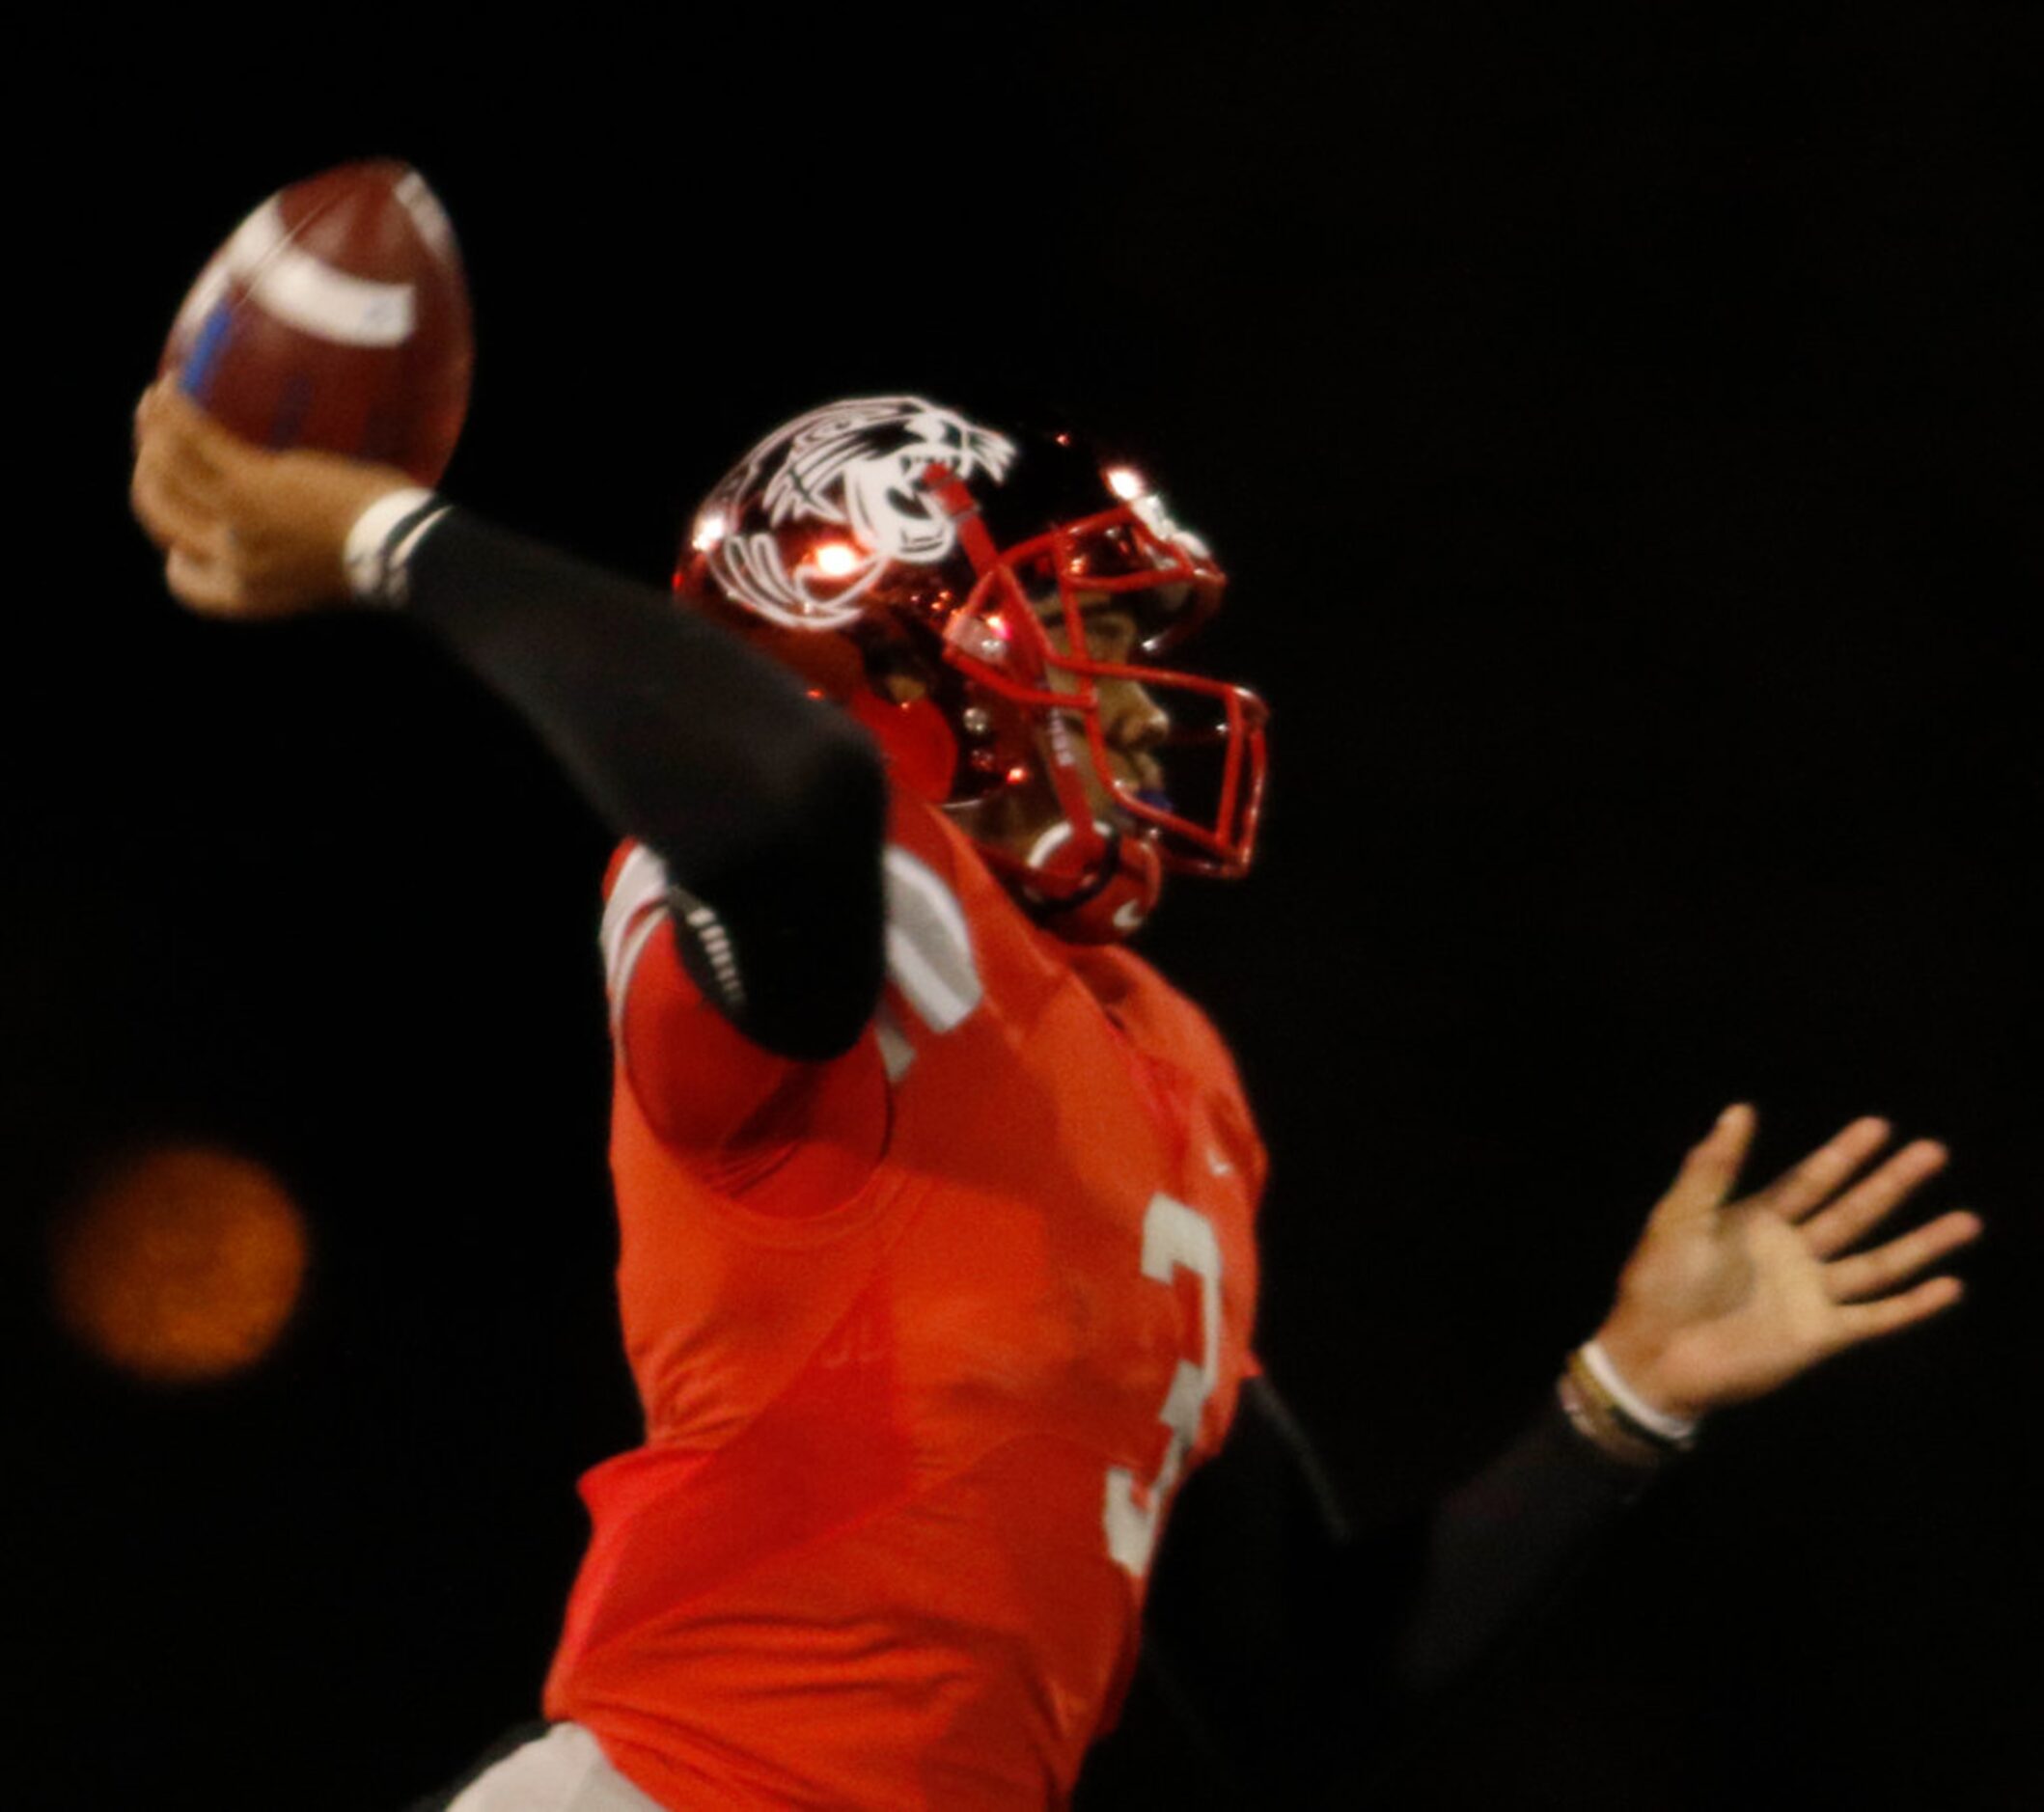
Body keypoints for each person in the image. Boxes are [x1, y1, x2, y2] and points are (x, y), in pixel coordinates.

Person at [129, 382, 1981, 1810]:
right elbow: (782, 801)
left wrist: (1622, 1397)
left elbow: (1298, 1673)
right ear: (895, 655)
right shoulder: (826, 907)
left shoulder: (1163, 1061)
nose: (1148, 706)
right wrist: (394, 533)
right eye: (1086, 644)